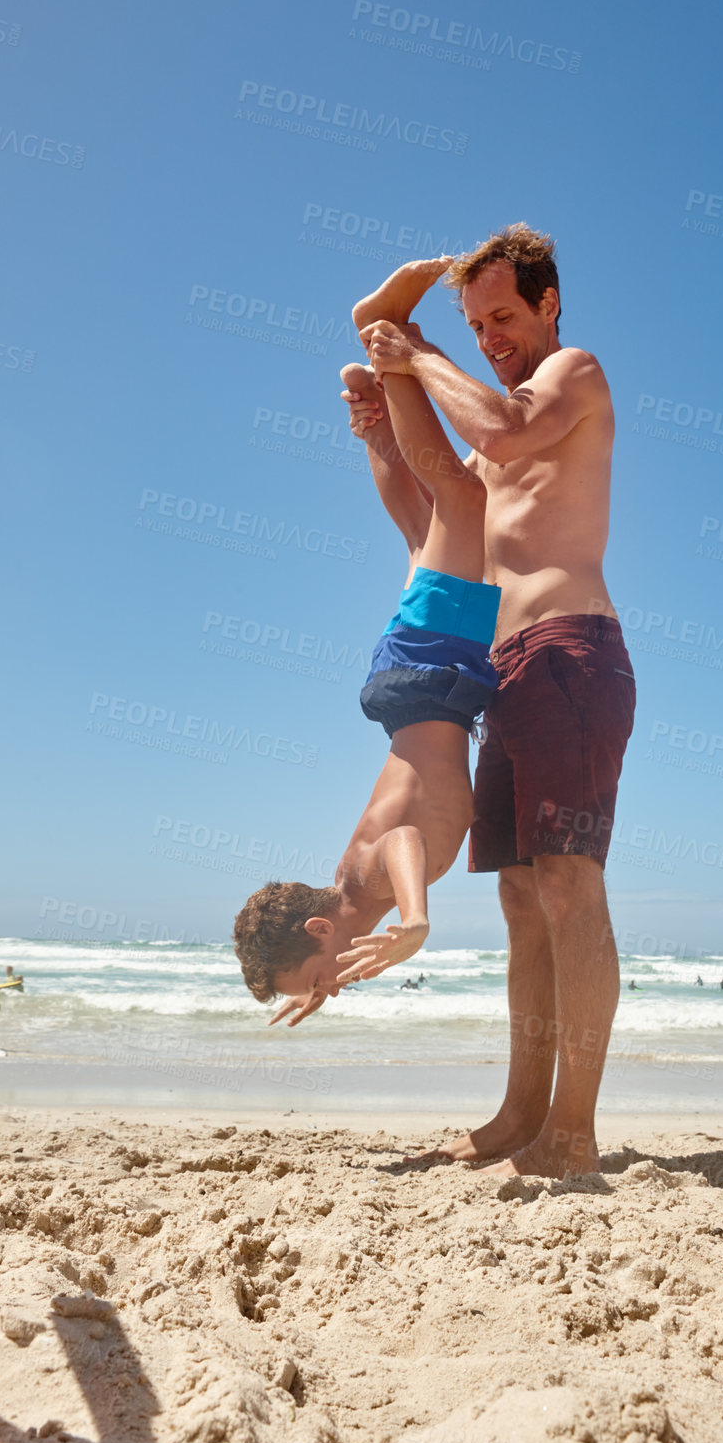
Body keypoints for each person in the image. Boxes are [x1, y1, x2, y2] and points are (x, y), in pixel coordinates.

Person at [356, 225, 634, 1178]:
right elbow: (439, 516)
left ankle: (575, 1127)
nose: (490, 336)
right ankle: (521, 1114)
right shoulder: (490, 411)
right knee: (521, 899)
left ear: (549, 303)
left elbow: (502, 427)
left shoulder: (571, 377)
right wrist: (382, 436)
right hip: (502, 668)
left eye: (503, 316)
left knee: (567, 883)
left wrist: (421, 354)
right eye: (474, 324)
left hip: (570, 652)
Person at [234, 258, 497, 1027]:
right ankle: (376, 418)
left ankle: (385, 341)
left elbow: (407, 839)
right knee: (426, 529)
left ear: (323, 930)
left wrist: (413, 924)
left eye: (318, 978)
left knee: (460, 496)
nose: (331, 988)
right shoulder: (344, 889)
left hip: (431, 675)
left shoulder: (368, 888)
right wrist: (321, 977)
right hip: (411, 683)